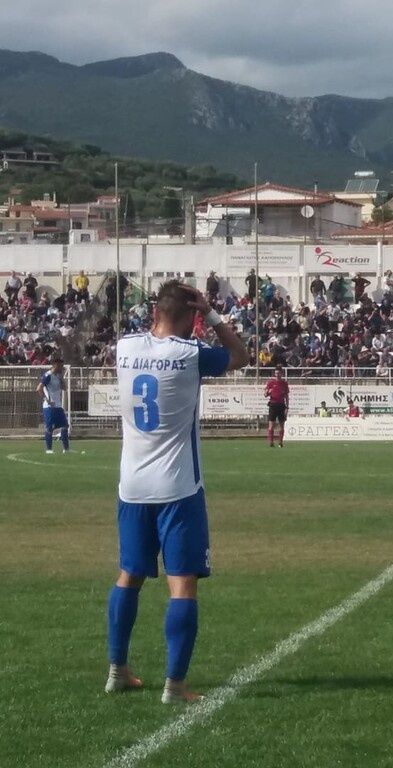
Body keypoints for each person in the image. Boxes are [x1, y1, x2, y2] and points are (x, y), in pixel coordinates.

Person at [106, 280, 247, 704]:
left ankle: (117, 670)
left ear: (154, 314)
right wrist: (214, 314)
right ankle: (175, 686)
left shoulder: (123, 348)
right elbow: (240, 355)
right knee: (181, 585)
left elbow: (156, 333)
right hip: (177, 486)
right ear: (192, 320)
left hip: (131, 486)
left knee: (129, 575)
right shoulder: (190, 354)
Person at [36, 359, 70, 454]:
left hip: (58, 406)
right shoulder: (48, 376)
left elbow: (64, 388)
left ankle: (66, 449)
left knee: (65, 426)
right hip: (49, 407)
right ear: (55, 365)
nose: (62, 368)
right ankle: (49, 449)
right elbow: (39, 388)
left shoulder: (58, 376)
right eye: (60, 366)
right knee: (50, 428)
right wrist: (47, 400)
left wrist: (62, 378)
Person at [264, 365, 290, 447]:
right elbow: (265, 394)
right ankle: (271, 442)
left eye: (278, 373)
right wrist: (268, 392)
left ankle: (280, 442)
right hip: (273, 405)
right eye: (276, 373)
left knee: (281, 425)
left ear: (281, 373)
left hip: (281, 405)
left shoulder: (284, 383)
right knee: (271, 425)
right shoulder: (271, 383)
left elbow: (286, 396)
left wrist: (287, 406)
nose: (277, 375)